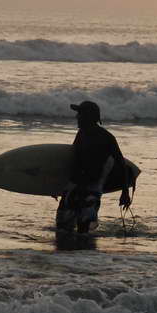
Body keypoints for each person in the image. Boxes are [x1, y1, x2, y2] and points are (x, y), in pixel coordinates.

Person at [56, 100, 131, 241]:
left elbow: (121, 164)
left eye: (80, 114)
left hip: (92, 188)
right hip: (73, 186)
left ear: (89, 117)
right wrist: (56, 186)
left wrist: (125, 192)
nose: (77, 117)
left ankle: (85, 258)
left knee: (84, 230)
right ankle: (67, 257)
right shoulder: (81, 134)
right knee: (62, 228)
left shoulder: (106, 138)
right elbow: (72, 160)